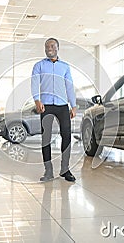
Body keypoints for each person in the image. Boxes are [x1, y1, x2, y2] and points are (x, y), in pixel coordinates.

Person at [31, 38, 77, 182]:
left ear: (57, 48)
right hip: (46, 105)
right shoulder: (39, 65)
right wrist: (37, 100)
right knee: (46, 139)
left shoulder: (65, 67)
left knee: (67, 136)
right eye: (46, 46)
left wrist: (73, 105)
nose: (48, 48)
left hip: (62, 105)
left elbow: (69, 86)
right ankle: (48, 171)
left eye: (51, 46)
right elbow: (34, 82)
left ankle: (65, 169)